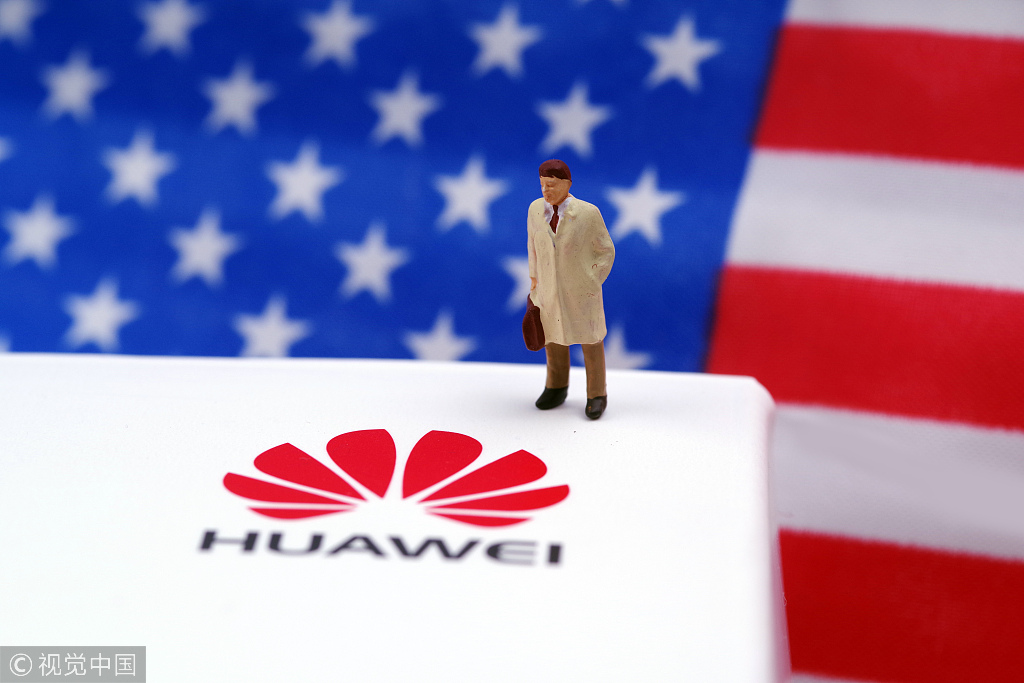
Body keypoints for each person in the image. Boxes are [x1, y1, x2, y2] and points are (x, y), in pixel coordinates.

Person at [527, 159, 614, 419]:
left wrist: (591, 279)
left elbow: (606, 250)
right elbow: (532, 247)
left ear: (567, 184)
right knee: (552, 339)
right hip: (547, 290)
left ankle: (596, 394)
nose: (546, 190)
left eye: (552, 185)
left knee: (590, 340)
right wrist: (534, 283)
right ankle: (556, 387)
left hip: (581, 292)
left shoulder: (588, 213)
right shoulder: (535, 210)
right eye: (543, 184)